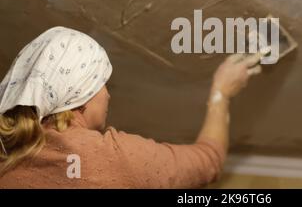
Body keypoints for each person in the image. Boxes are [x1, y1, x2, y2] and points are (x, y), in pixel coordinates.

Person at [0, 26, 262, 188]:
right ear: (82, 93)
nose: (108, 96)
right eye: (104, 85)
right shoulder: (113, 157)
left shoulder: (7, 163)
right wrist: (221, 93)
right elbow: (208, 161)